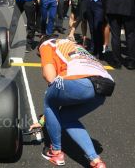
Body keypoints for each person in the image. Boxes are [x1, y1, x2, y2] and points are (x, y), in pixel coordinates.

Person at [35, 35, 114, 168]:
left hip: (81, 82)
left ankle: (56, 152)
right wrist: (43, 120)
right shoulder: (74, 45)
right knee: (66, 118)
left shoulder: (47, 44)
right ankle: (96, 161)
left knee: (49, 98)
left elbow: (50, 77)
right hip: (105, 86)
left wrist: (43, 119)